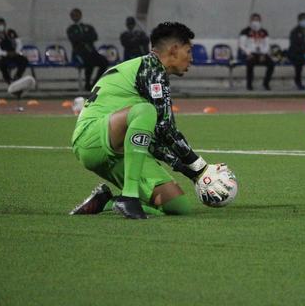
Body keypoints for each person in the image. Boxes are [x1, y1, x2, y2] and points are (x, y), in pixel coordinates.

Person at [69, 21, 231, 219]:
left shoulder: (151, 72)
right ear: (174, 49)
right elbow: (165, 129)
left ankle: (107, 201)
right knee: (146, 111)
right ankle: (130, 196)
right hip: (92, 138)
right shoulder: (150, 68)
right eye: (188, 51)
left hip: (123, 148)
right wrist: (200, 167)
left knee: (178, 206)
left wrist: (191, 174)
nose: (191, 58)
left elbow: (154, 138)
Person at [66, 8, 109, 91]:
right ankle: (87, 84)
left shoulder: (88, 27)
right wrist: (86, 37)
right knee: (89, 61)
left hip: (91, 51)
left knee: (104, 62)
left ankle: (95, 83)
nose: (75, 17)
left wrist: (82, 38)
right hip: (79, 53)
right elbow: (74, 39)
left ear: (80, 15)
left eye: (77, 15)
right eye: (73, 15)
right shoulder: (71, 29)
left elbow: (94, 37)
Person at [238, 13, 275, 90]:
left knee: (271, 64)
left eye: (257, 20)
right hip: (250, 53)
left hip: (262, 53)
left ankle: (266, 83)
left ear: (260, 21)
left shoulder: (264, 32)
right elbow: (242, 45)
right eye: (254, 20)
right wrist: (248, 53)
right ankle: (249, 84)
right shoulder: (245, 31)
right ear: (250, 21)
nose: (255, 22)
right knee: (250, 63)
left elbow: (267, 45)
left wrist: (263, 54)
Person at [0, 17, 28, 84]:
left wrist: (16, 52)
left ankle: (17, 77)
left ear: (5, 25)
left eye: (1, 24)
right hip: (2, 55)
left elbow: (19, 43)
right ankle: (7, 78)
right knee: (1, 62)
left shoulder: (10, 33)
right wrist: (6, 53)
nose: (0, 26)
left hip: (13, 53)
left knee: (24, 60)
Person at [287, 12, 305, 90]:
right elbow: (294, 45)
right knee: (298, 62)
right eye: (303, 19)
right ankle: (298, 82)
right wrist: (304, 52)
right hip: (298, 53)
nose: (304, 21)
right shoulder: (295, 31)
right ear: (299, 21)